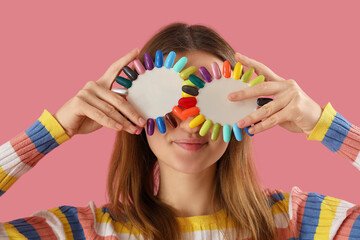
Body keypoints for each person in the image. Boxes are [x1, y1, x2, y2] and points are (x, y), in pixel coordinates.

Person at [0, 22, 359, 240]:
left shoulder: (299, 223)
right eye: (166, 99)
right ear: (134, 105)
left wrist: (322, 123)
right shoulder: (82, 231)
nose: (189, 122)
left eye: (212, 99)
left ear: (247, 106)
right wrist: (54, 129)